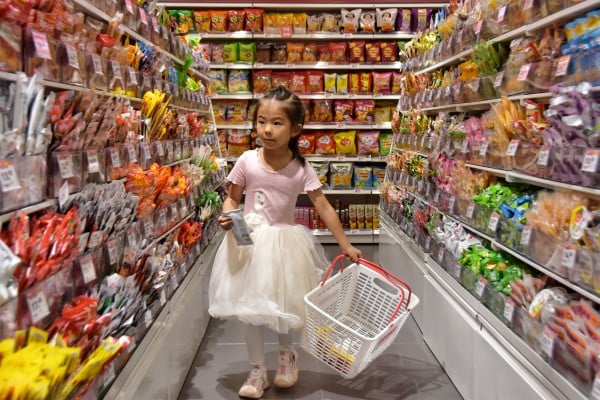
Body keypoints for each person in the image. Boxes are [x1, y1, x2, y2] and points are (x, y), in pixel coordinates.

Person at [208, 85, 362, 399]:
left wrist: (344, 244)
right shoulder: (247, 160)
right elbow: (231, 198)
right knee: (249, 306)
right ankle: (256, 370)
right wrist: (228, 215)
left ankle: (286, 357)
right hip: (247, 241)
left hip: (284, 245)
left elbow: (323, 205)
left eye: (276, 122)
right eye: (261, 121)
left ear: (295, 129)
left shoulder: (301, 168)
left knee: (282, 304)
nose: (267, 129)